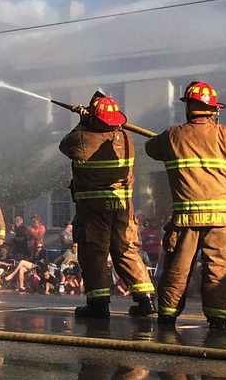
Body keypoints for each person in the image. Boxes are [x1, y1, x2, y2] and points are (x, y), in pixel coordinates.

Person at [143, 81, 226, 331]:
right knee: (218, 270)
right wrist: (223, 182)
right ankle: (217, 321)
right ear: (213, 110)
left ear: (188, 108)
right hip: (221, 220)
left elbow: (151, 149)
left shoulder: (172, 136)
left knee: (178, 270)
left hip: (186, 220)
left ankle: (167, 318)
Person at [60, 91, 156, 319]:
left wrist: (83, 121)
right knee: (126, 252)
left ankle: (98, 305)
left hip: (94, 209)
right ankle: (146, 301)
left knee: (94, 254)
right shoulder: (126, 139)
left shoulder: (81, 138)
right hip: (123, 208)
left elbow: (65, 146)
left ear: (94, 118)